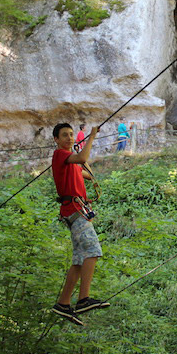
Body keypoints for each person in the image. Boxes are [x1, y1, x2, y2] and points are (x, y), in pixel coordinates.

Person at [51, 123, 109, 326]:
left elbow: (86, 170)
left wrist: (84, 166)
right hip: (74, 211)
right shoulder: (60, 155)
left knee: (79, 260)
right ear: (56, 140)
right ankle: (83, 299)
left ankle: (63, 303)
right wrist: (91, 137)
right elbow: (82, 158)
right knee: (93, 251)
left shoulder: (71, 161)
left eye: (71, 134)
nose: (69, 138)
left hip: (76, 210)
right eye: (64, 135)